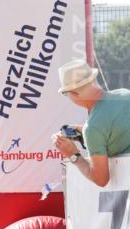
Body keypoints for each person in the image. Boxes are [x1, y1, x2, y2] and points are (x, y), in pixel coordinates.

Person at [51, 59, 130, 187]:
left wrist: (73, 155)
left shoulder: (93, 128)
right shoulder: (125, 94)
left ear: (74, 94)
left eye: (66, 94)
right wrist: (84, 132)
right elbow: (117, 129)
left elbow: (101, 179)